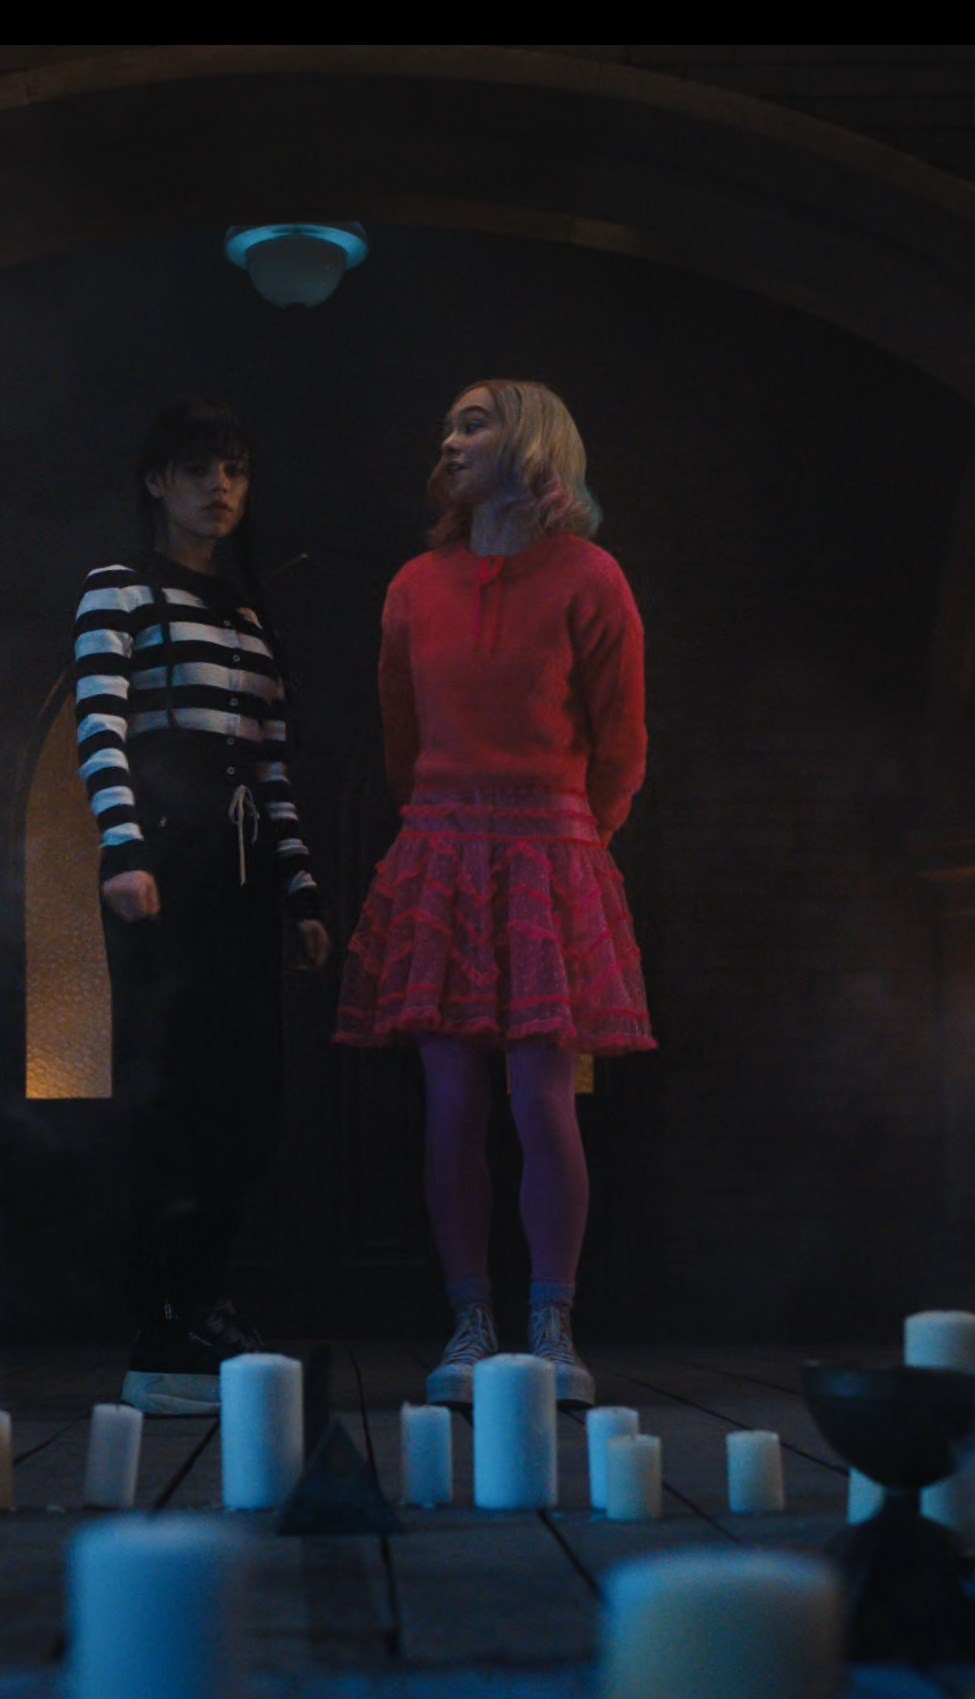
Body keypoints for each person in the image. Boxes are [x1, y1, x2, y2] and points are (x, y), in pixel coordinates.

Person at [335, 379, 652, 1408]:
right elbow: (400, 735)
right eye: (449, 425)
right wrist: (443, 831)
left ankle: (553, 1325)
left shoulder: (591, 577)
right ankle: (469, 1321)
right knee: (452, 1100)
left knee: (540, 1095)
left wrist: (575, 842)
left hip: (548, 847)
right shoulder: (414, 585)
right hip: (442, 845)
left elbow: (623, 739)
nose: (450, 439)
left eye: (474, 423)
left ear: (530, 444)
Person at [77, 399, 333, 1412]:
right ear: (156, 482)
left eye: (233, 470)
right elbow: (100, 723)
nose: (218, 489)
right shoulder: (118, 589)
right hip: (163, 870)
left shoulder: (246, 616)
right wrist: (124, 848)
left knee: (243, 1100)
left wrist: (300, 889)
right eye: (197, 470)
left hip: (238, 879)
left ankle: (203, 1303)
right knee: (168, 1097)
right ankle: (160, 1328)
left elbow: (269, 768)